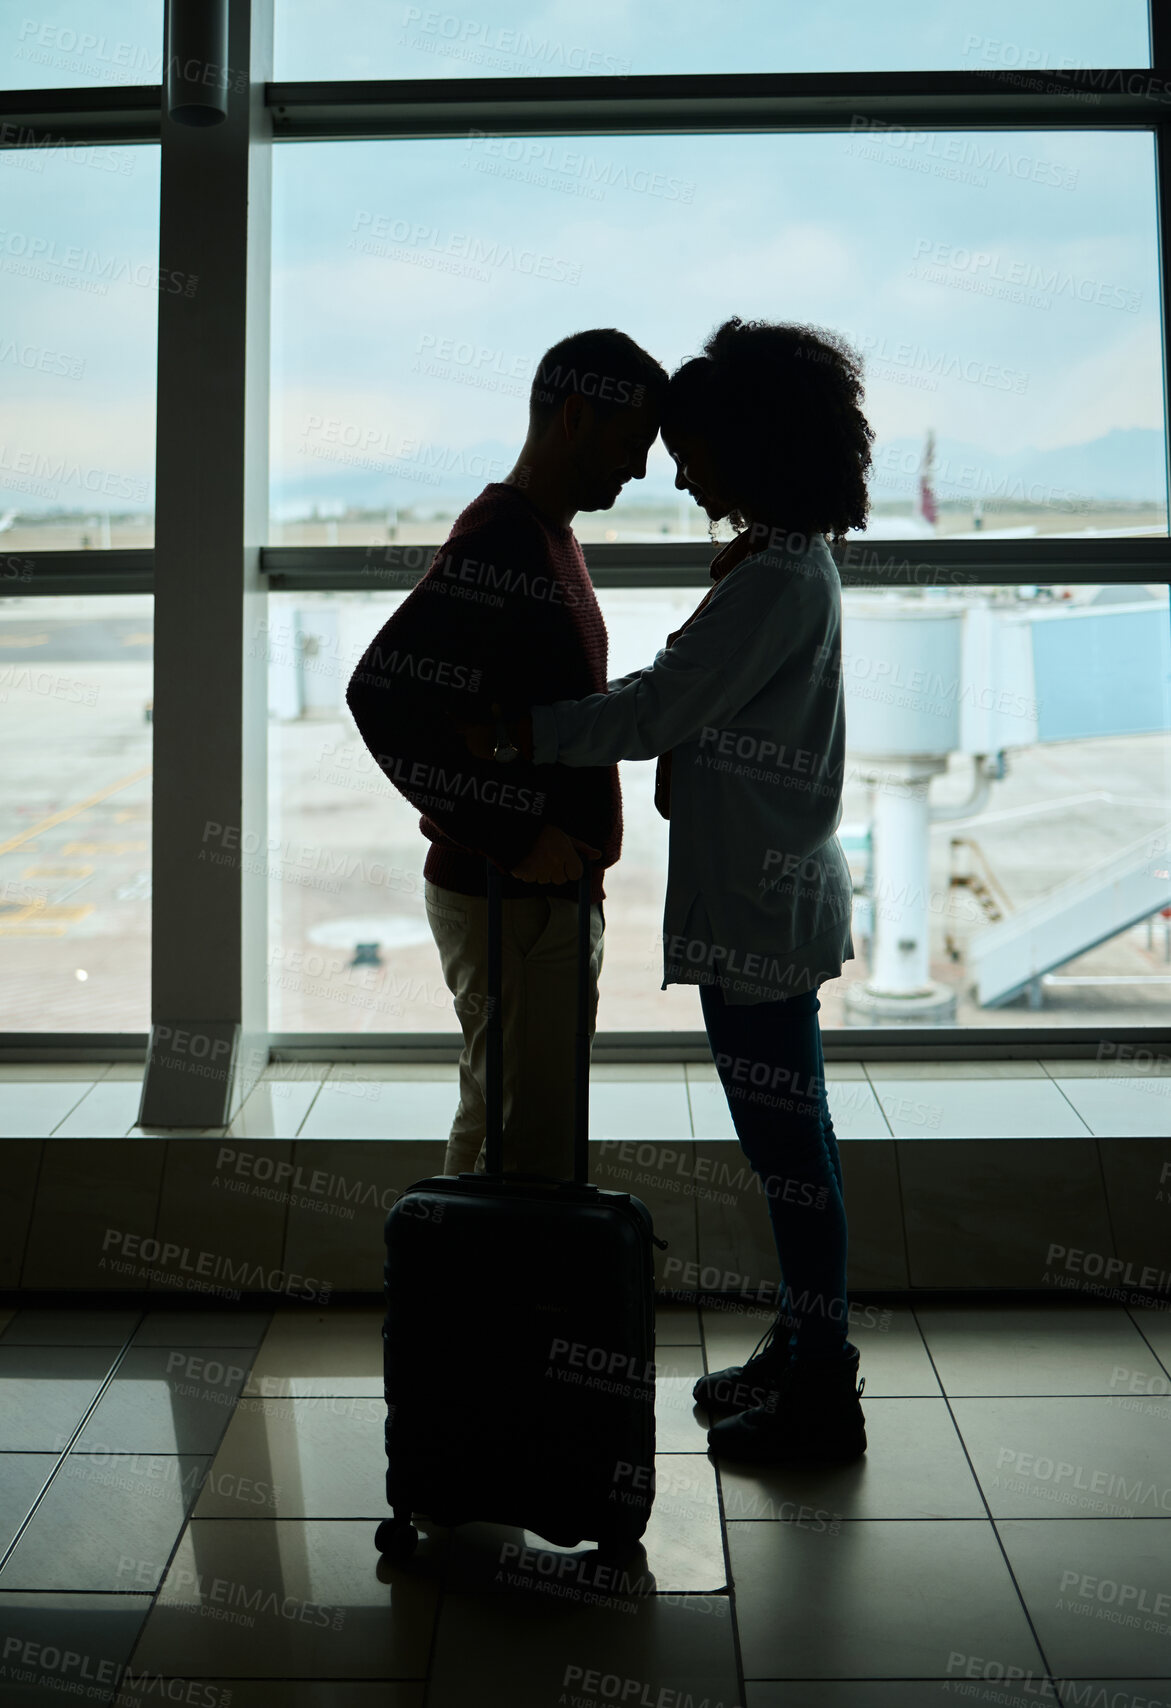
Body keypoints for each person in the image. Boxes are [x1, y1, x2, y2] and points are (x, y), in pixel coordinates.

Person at [460, 317, 873, 1462]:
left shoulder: (774, 579)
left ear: (745, 447)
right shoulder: (785, 563)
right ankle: (802, 1347)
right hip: (765, 901)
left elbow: (653, 709)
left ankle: (821, 1385)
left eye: (691, 448)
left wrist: (513, 736)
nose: (675, 469)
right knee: (797, 1147)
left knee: (790, 1158)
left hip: (756, 912)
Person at [346, 328, 667, 1181]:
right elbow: (379, 692)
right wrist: (513, 836)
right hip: (506, 898)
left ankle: (454, 1304)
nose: (638, 470)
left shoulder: (548, 535)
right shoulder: (501, 538)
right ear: (574, 417)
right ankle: (496, 1310)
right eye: (632, 444)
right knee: (525, 1141)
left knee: (502, 1119)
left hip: (533, 896)